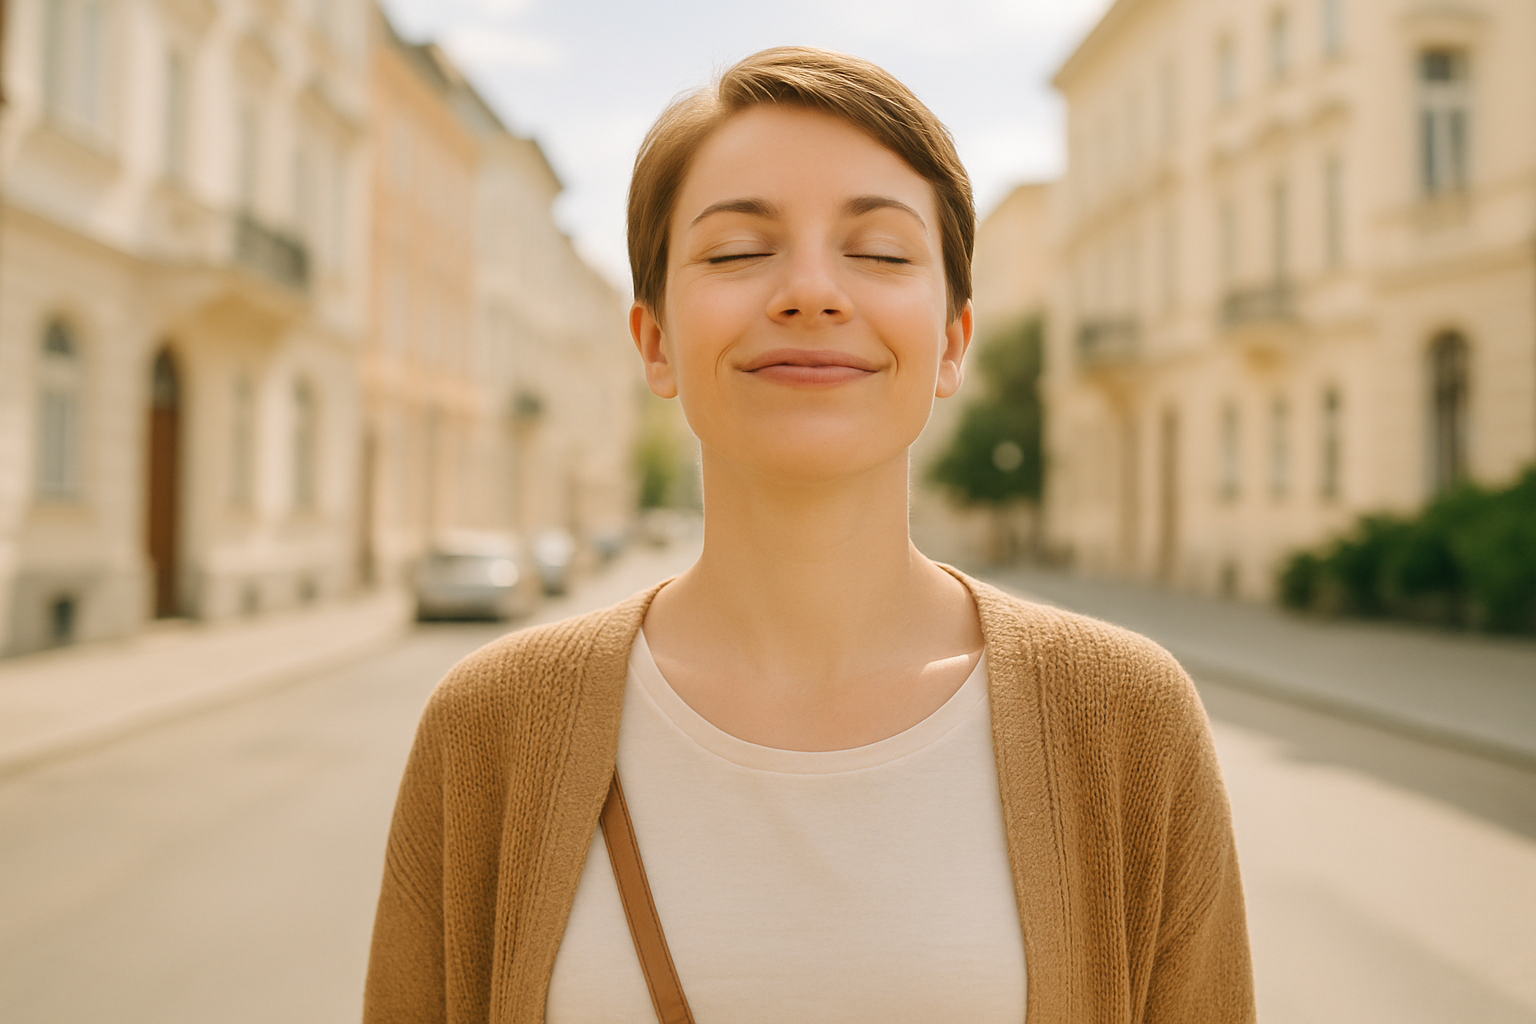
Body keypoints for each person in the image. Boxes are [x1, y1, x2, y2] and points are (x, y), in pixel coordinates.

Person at [363, 47, 1254, 1024]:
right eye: (739, 251)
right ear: (655, 339)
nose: (813, 293)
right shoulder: (490, 726)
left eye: (878, 252)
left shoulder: (1125, 719)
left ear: (953, 339)